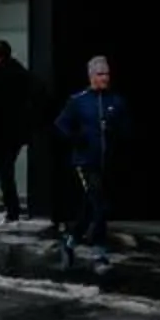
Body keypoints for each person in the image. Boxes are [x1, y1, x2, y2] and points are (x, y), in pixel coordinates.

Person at [52, 55, 129, 271]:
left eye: (107, 74)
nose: (105, 78)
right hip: (86, 162)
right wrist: (77, 138)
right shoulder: (79, 100)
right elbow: (61, 125)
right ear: (91, 76)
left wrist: (117, 134)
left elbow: (126, 127)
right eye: (100, 74)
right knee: (99, 206)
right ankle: (100, 253)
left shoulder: (116, 101)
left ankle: (70, 242)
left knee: (89, 208)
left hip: (108, 162)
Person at [0, 39, 39, 230]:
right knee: (7, 170)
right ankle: (13, 210)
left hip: (2, 132)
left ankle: (12, 211)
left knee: (4, 172)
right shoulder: (21, 73)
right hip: (18, 132)